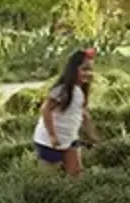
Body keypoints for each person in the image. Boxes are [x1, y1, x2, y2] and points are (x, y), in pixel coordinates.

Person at [34, 48, 100, 177]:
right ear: (73, 69)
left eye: (91, 69)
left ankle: (76, 195)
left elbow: (84, 114)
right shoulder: (62, 90)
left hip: (70, 137)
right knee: (49, 178)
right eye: (84, 69)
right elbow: (45, 109)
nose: (89, 73)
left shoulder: (81, 91)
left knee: (76, 173)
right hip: (49, 141)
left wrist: (92, 135)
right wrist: (52, 135)